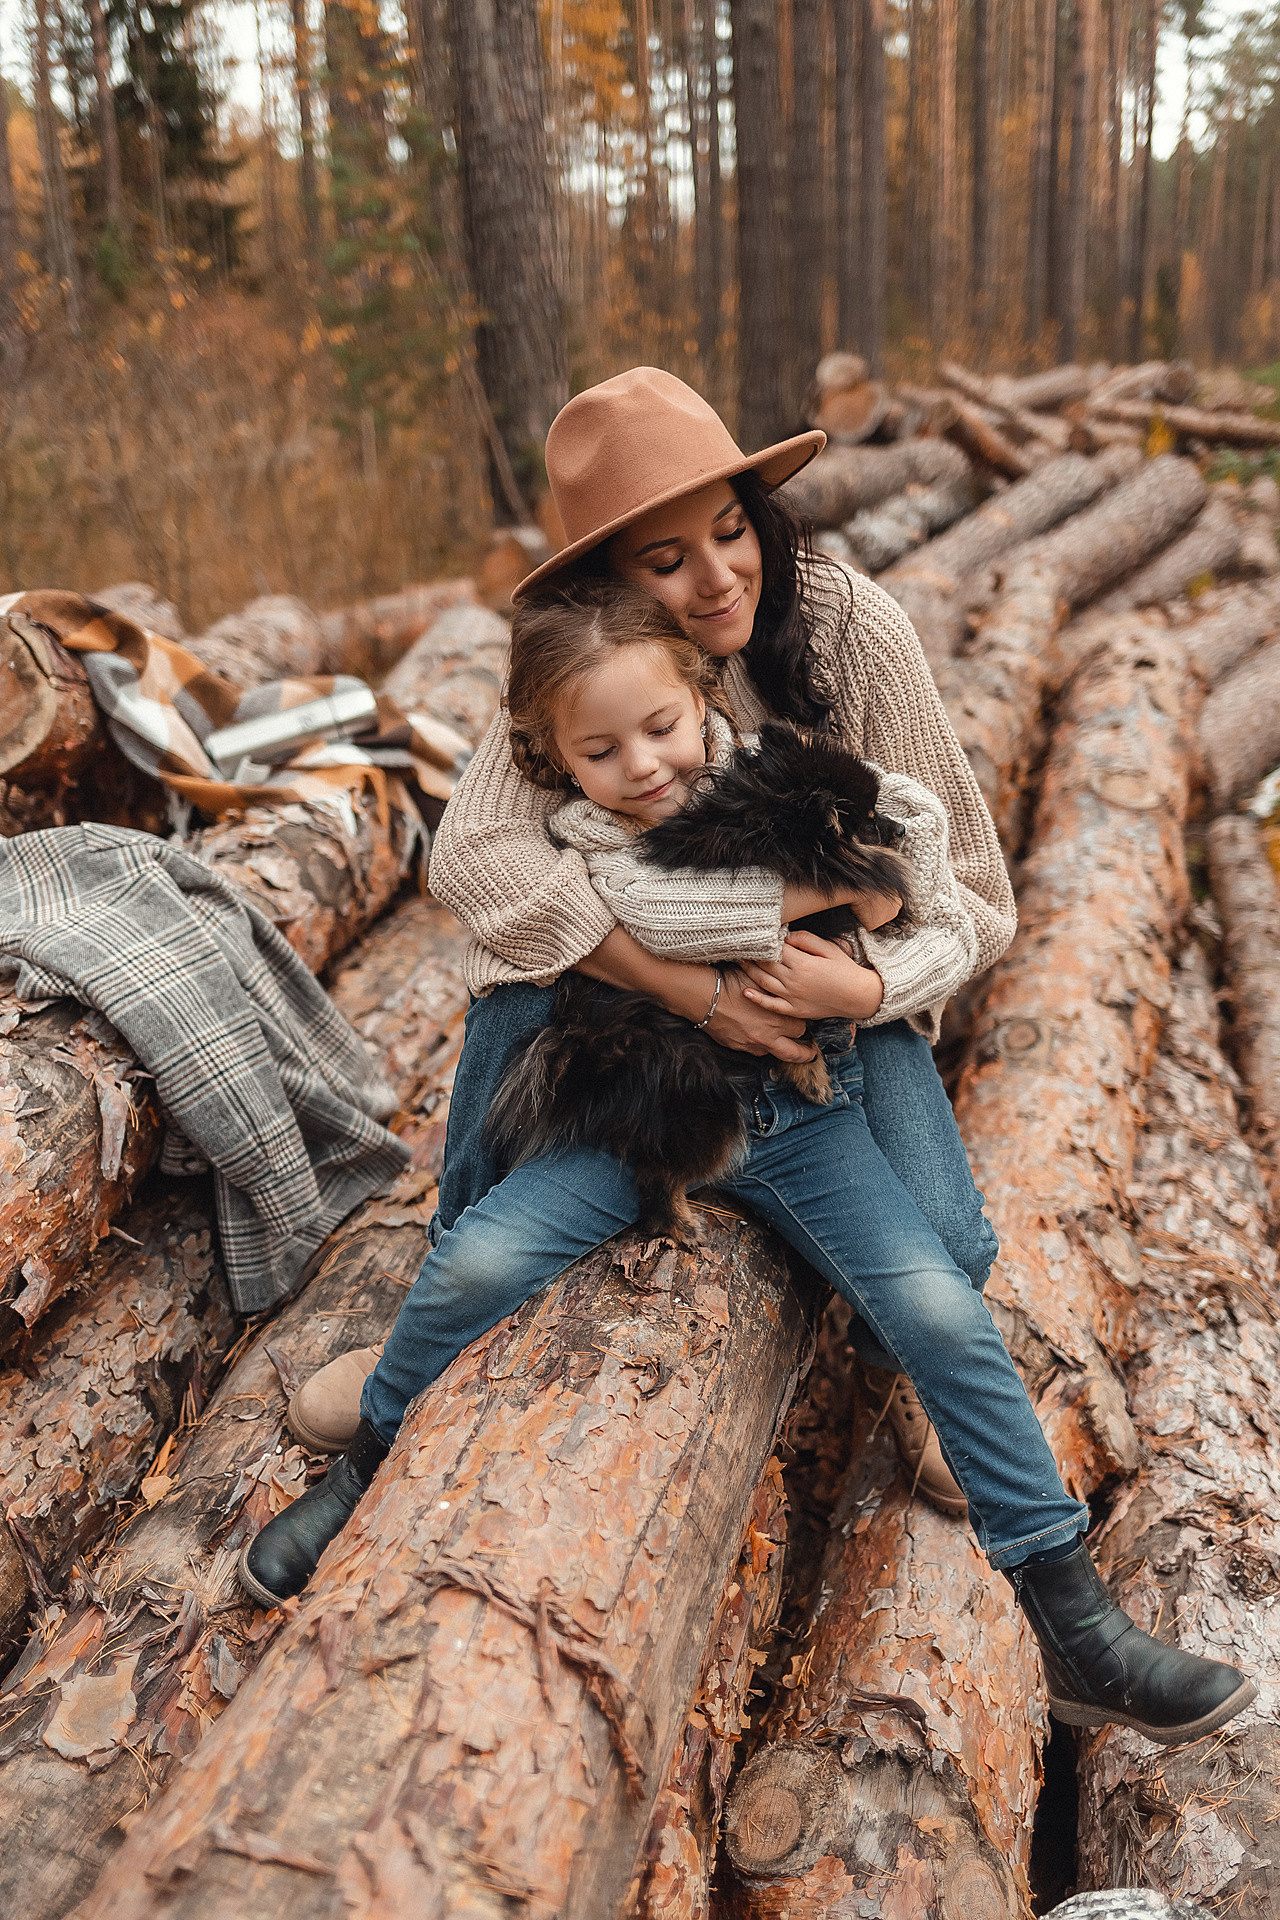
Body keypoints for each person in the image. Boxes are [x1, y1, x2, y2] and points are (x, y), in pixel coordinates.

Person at [243, 369, 1253, 1745]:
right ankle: (407, 1366)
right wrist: (694, 980)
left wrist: (865, 966)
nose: (714, 574)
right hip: (644, 1055)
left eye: (731, 528)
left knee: (949, 1262)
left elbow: (965, 884)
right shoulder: (587, 673)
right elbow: (480, 860)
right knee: (509, 1064)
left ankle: (1072, 1617)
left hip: (826, 1039)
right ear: (610, 581)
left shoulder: (843, 630)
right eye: (667, 558)